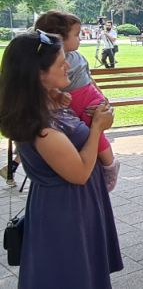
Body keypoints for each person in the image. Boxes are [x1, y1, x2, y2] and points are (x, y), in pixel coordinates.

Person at [0, 31, 123, 288]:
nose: (68, 64)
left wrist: (55, 98)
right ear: (38, 74)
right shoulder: (42, 129)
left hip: (72, 205)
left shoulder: (46, 104)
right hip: (65, 212)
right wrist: (98, 127)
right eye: (60, 62)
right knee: (71, 275)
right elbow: (79, 172)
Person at [35, 10, 120, 191]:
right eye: (76, 35)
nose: (66, 66)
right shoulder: (48, 125)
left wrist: (102, 97)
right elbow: (79, 175)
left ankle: (109, 164)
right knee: (92, 130)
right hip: (69, 197)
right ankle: (109, 164)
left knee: (93, 128)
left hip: (88, 100)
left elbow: (89, 79)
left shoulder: (77, 58)